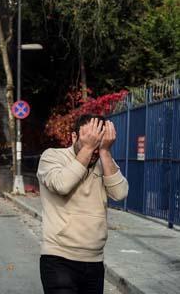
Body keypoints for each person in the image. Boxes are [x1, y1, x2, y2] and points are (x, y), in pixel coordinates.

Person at [37, 114, 129, 294]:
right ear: (73, 137)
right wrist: (89, 148)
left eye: (98, 140)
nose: (94, 145)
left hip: (94, 262)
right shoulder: (52, 156)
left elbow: (120, 193)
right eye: (89, 138)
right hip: (58, 258)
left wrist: (105, 152)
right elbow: (62, 185)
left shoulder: (103, 162)